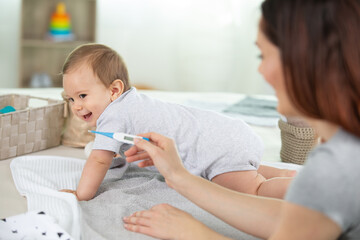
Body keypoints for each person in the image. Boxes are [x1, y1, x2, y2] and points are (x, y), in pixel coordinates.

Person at [122, 0, 360, 239]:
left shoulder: (337, 167)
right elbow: (301, 219)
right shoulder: (344, 147)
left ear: (304, 59)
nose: (261, 71)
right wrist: (179, 177)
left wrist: (194, 233)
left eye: (263, 55)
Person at [60, 43, 295, 201]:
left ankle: (302, 189)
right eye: (70, 99)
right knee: (247, 170)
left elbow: (99, 160)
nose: (76, 106)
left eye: (82, 96)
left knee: (253, 190)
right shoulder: (134, 102)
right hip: (228, 134)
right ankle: (289, 176)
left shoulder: (113, 115)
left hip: (214, 150)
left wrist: (81, 195)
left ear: (114, 90)